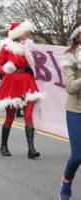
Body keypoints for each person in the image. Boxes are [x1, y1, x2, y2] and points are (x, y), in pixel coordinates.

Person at [0, 21, 45, 159]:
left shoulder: (31, 48)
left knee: (28, 115)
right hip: (12, 84)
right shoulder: (7, 48)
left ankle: (31, 149)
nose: (28, 33)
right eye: (25, 31)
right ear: (18, 33)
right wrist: (4, 69)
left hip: (27, 84)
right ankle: (3, 145)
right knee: (10, 116)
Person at [59, 22, 81, 200]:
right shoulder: (70, 57)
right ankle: (67, 181)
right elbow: (70, 87)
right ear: (77, 36)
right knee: (78, 155)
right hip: (76, 110)